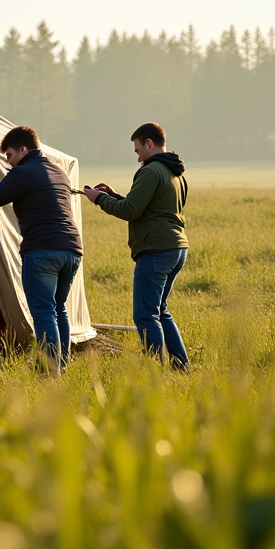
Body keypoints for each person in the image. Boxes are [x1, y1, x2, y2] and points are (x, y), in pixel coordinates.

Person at [0, 126, 82, 373]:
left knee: (43, 312)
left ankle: (50, 371)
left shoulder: (24, 172)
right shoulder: (59, 170)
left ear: (23, 149)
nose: (8, 163)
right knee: (58, 308)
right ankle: (62, 366)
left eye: (9, 155)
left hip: (42, 250)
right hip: (72, 250)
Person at [81, 122, 190, 370]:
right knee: (161, 312)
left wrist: (99, 199)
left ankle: (155, 372)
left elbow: (131, 211)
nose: (137, 155)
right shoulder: (176, 174)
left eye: (137, 149)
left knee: (145, 315)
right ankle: (181, 367)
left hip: (155, 251)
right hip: (177, 248)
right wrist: (114, 195)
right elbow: (148, 208)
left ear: (149, 143)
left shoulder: (150, 171)